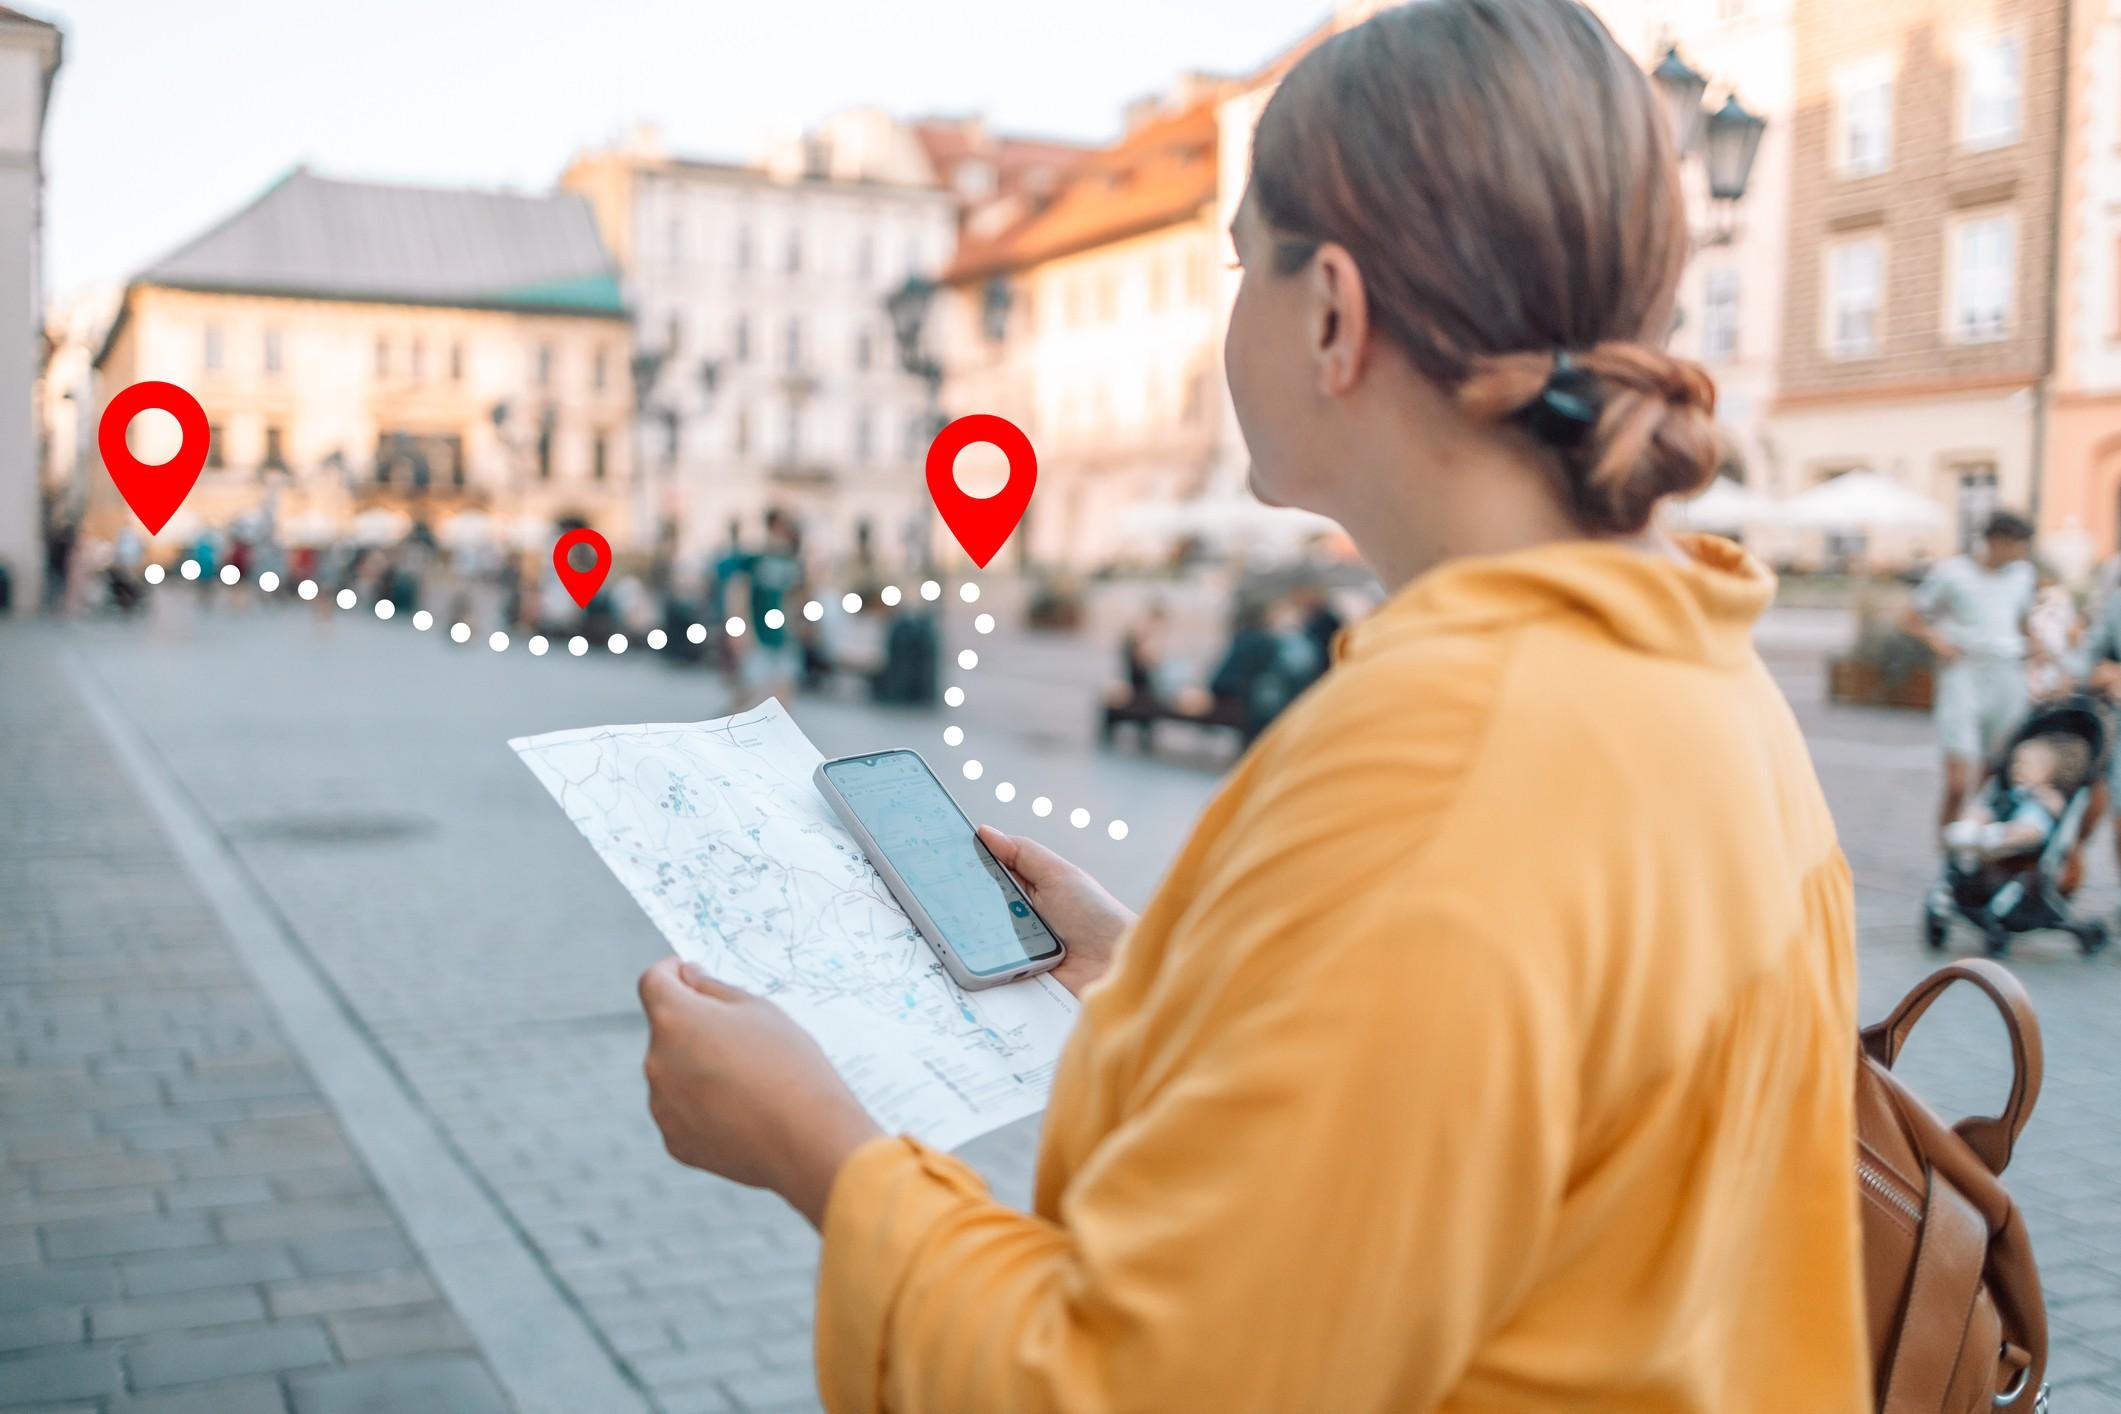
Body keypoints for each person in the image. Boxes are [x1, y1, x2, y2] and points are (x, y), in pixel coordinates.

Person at [636, 2, 1869, 1408]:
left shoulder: (1445, 770)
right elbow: (1478, 1133)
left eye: (1241, 262)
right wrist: (1174, 978)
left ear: (1332, 312)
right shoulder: (1701, 667)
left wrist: (814, 1139)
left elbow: (1132, 1386)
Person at [1901, 510, 2038, 829]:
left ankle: (1975, 854)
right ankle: (1949, 855)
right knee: (1958, 782)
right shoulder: (1953, 572)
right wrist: (1938, 642)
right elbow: (1911, 617)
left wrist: (2036, 650)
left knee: (1994, 777)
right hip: (1965, 672)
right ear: (1996, 541)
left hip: (2007, 673)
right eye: (2017, 544)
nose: (2021, 552)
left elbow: (2022, 621)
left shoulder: (2023, 575)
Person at [728, 510, 805, 711]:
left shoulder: (792, 562)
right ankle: (727, 726)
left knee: (784, 688)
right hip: (758, 631)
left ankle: (777, 734)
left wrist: (797, 625)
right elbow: (739, 590)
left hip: (783, 634)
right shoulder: (756, 558)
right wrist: (740, 627)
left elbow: (795, 597)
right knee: (749, 689)